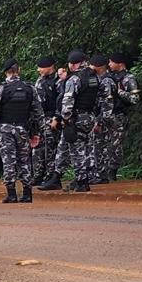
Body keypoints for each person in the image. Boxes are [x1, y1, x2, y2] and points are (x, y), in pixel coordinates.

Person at [0, 58, 43, 203]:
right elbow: (38, 114)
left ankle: (11, 194)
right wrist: (36, 133)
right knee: (24, 160)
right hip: (24, 129)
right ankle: (27, 193)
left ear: (6, 72)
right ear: (19, 70)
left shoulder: (0, 90)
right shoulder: (30, 89)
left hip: (6, 129)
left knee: (8, 160)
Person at [45, 50, 101, 192]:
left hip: (75, 119)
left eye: (72, 63)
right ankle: (56, 177)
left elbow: (68, 100)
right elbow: (99, 98)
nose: (71, 65)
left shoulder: (74, 79)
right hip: (88, 117)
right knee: (64, 147)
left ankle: (82, 181)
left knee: (77, 151)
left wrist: (65, 118)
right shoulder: (94, 77)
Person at [105, 52, 140, 181]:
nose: (109, 64)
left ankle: (113, 170)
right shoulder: (109, 77)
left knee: (115, 144)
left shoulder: (128, 78)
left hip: (119, 116)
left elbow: (135, 98)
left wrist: (119, 92)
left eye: (111, 62)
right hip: (107, 115)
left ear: (119, 63)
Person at [89, 54, 116, 184]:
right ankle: (96, 173)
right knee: (95, 146)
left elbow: (107, 105)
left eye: (92, 65)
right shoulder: (96, 79)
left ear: (99, 67)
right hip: (97, 117)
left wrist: (99, 122)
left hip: (104, 119)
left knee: (101, 147)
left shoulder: (107, 81)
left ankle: (101, 174)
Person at [32, 56, 59, 185]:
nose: (39, 70)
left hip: (52, 118)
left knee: (51, 148)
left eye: (41, 67)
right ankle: (38, 174)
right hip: (40, 119)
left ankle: (51, 174)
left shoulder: (58, 80)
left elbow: (62, 101)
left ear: (50, 67)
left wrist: (57, 118)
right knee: (38, 148)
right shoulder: (39, 81)